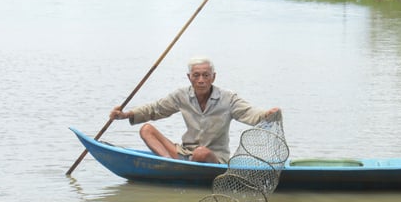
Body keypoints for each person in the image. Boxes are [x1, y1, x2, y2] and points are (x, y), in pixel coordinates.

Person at [109, 57, 280, 164]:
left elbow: (250, 113)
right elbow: (156, 109)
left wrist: (266, 114)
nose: (201, 80)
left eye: (206, 75)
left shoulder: (227, 98)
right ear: (189, 77)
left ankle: (175, 167)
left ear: (213, 77)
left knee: (201, 153)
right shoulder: (181, 95)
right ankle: (169, 164)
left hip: (213, 158)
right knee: (146, 129)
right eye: (196, 75)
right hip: (183, 154)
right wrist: (126, 115)